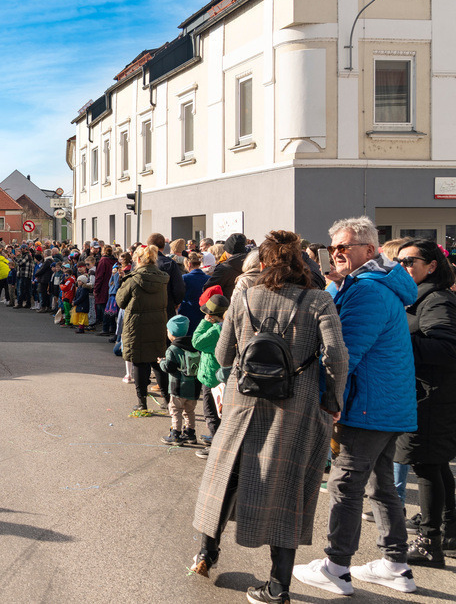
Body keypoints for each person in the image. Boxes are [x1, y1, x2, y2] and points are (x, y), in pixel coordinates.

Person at [191, 231, 348, 604]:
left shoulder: (244, 295)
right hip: (299, 403)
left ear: (263, 263)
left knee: (225, 475)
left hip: (245, 402)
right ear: (301, 262)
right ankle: (278, 585)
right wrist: (332, 398)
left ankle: (205, 553)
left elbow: (226, 354)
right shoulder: (319, 299)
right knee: (288, 487)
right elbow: (337, 357)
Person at [293, 216, 418, 596]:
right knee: (381, 487)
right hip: (383, 405)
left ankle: (336, 566)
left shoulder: (366, 291)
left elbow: (345, 355)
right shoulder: (370, 285)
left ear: (369, 249)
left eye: (344, 247)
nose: (336, 254)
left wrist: (326, 400)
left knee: (346, 485)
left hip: (367, 405)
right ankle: (396, 564)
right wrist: (334, 288)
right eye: (332, 248)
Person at [392, 239, 456, 565]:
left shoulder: (437, 301)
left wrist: (398, 337)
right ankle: (448, 530)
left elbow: (445, 348)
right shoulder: (423, 297)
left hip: (432, 398)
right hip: (428, 395)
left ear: (431, 266)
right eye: (398, 261)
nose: (401, 267)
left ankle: (430, 543)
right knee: (435, 463)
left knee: (427, 464)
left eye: (409, 262)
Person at [115, 244, 170, 414]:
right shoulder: (162, 279)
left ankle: (142, 403)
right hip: (158, 322)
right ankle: (168, 401)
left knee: (139, 361)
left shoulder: (132, 279)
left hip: (136, 324)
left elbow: (120, 301)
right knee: (158, 361)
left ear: (138, 260)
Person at [191, 292, 229, 459]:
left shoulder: (215, 330)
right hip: (223, 377)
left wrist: (204, 323)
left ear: (212, 315)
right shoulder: (229, 326)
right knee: (222, 412)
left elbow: (196, 342)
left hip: (211, 377)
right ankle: (217, 439)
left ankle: (216, 445)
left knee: (211, 412)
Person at [158, 314, 200, 445]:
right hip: (194, 386)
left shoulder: (173, 349)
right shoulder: (194, 345)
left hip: (178, 386)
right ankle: (190, 433)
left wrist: (161, 362)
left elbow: (169, 367)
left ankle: (175, 433)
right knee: (190, 411)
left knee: (176, 410)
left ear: (172, 333)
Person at [203, 233, 248, 298]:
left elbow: (208, 289)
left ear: (227, 251)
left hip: (227, 305)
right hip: (249, 304)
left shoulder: (224, 268)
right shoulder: (253, 264)